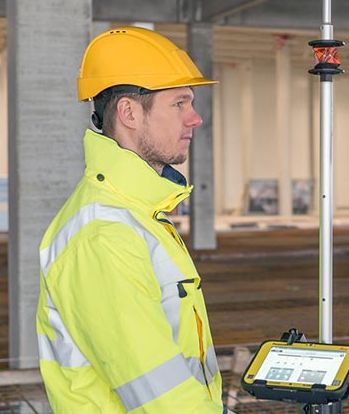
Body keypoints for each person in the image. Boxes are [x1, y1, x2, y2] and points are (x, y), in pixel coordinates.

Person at [35, 26, 232, 413]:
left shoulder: (137, 213)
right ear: (129, 112)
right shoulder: (104, 235)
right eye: (179, 103)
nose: (195, 119)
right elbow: (159, 395)